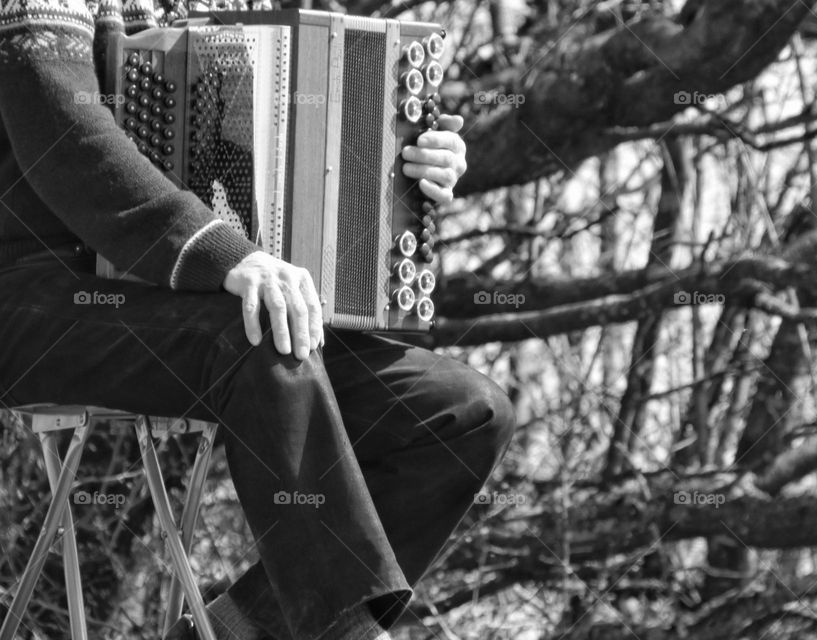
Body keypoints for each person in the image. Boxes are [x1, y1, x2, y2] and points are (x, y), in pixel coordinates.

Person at [0, 0, 516, 638]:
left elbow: (298, 153)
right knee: (255, 339)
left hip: (191, 309)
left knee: (462, 411)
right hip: (33, 297)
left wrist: (408, 161)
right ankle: (345, 627)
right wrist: (223, 253)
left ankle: (240, 631)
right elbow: (61, 135)